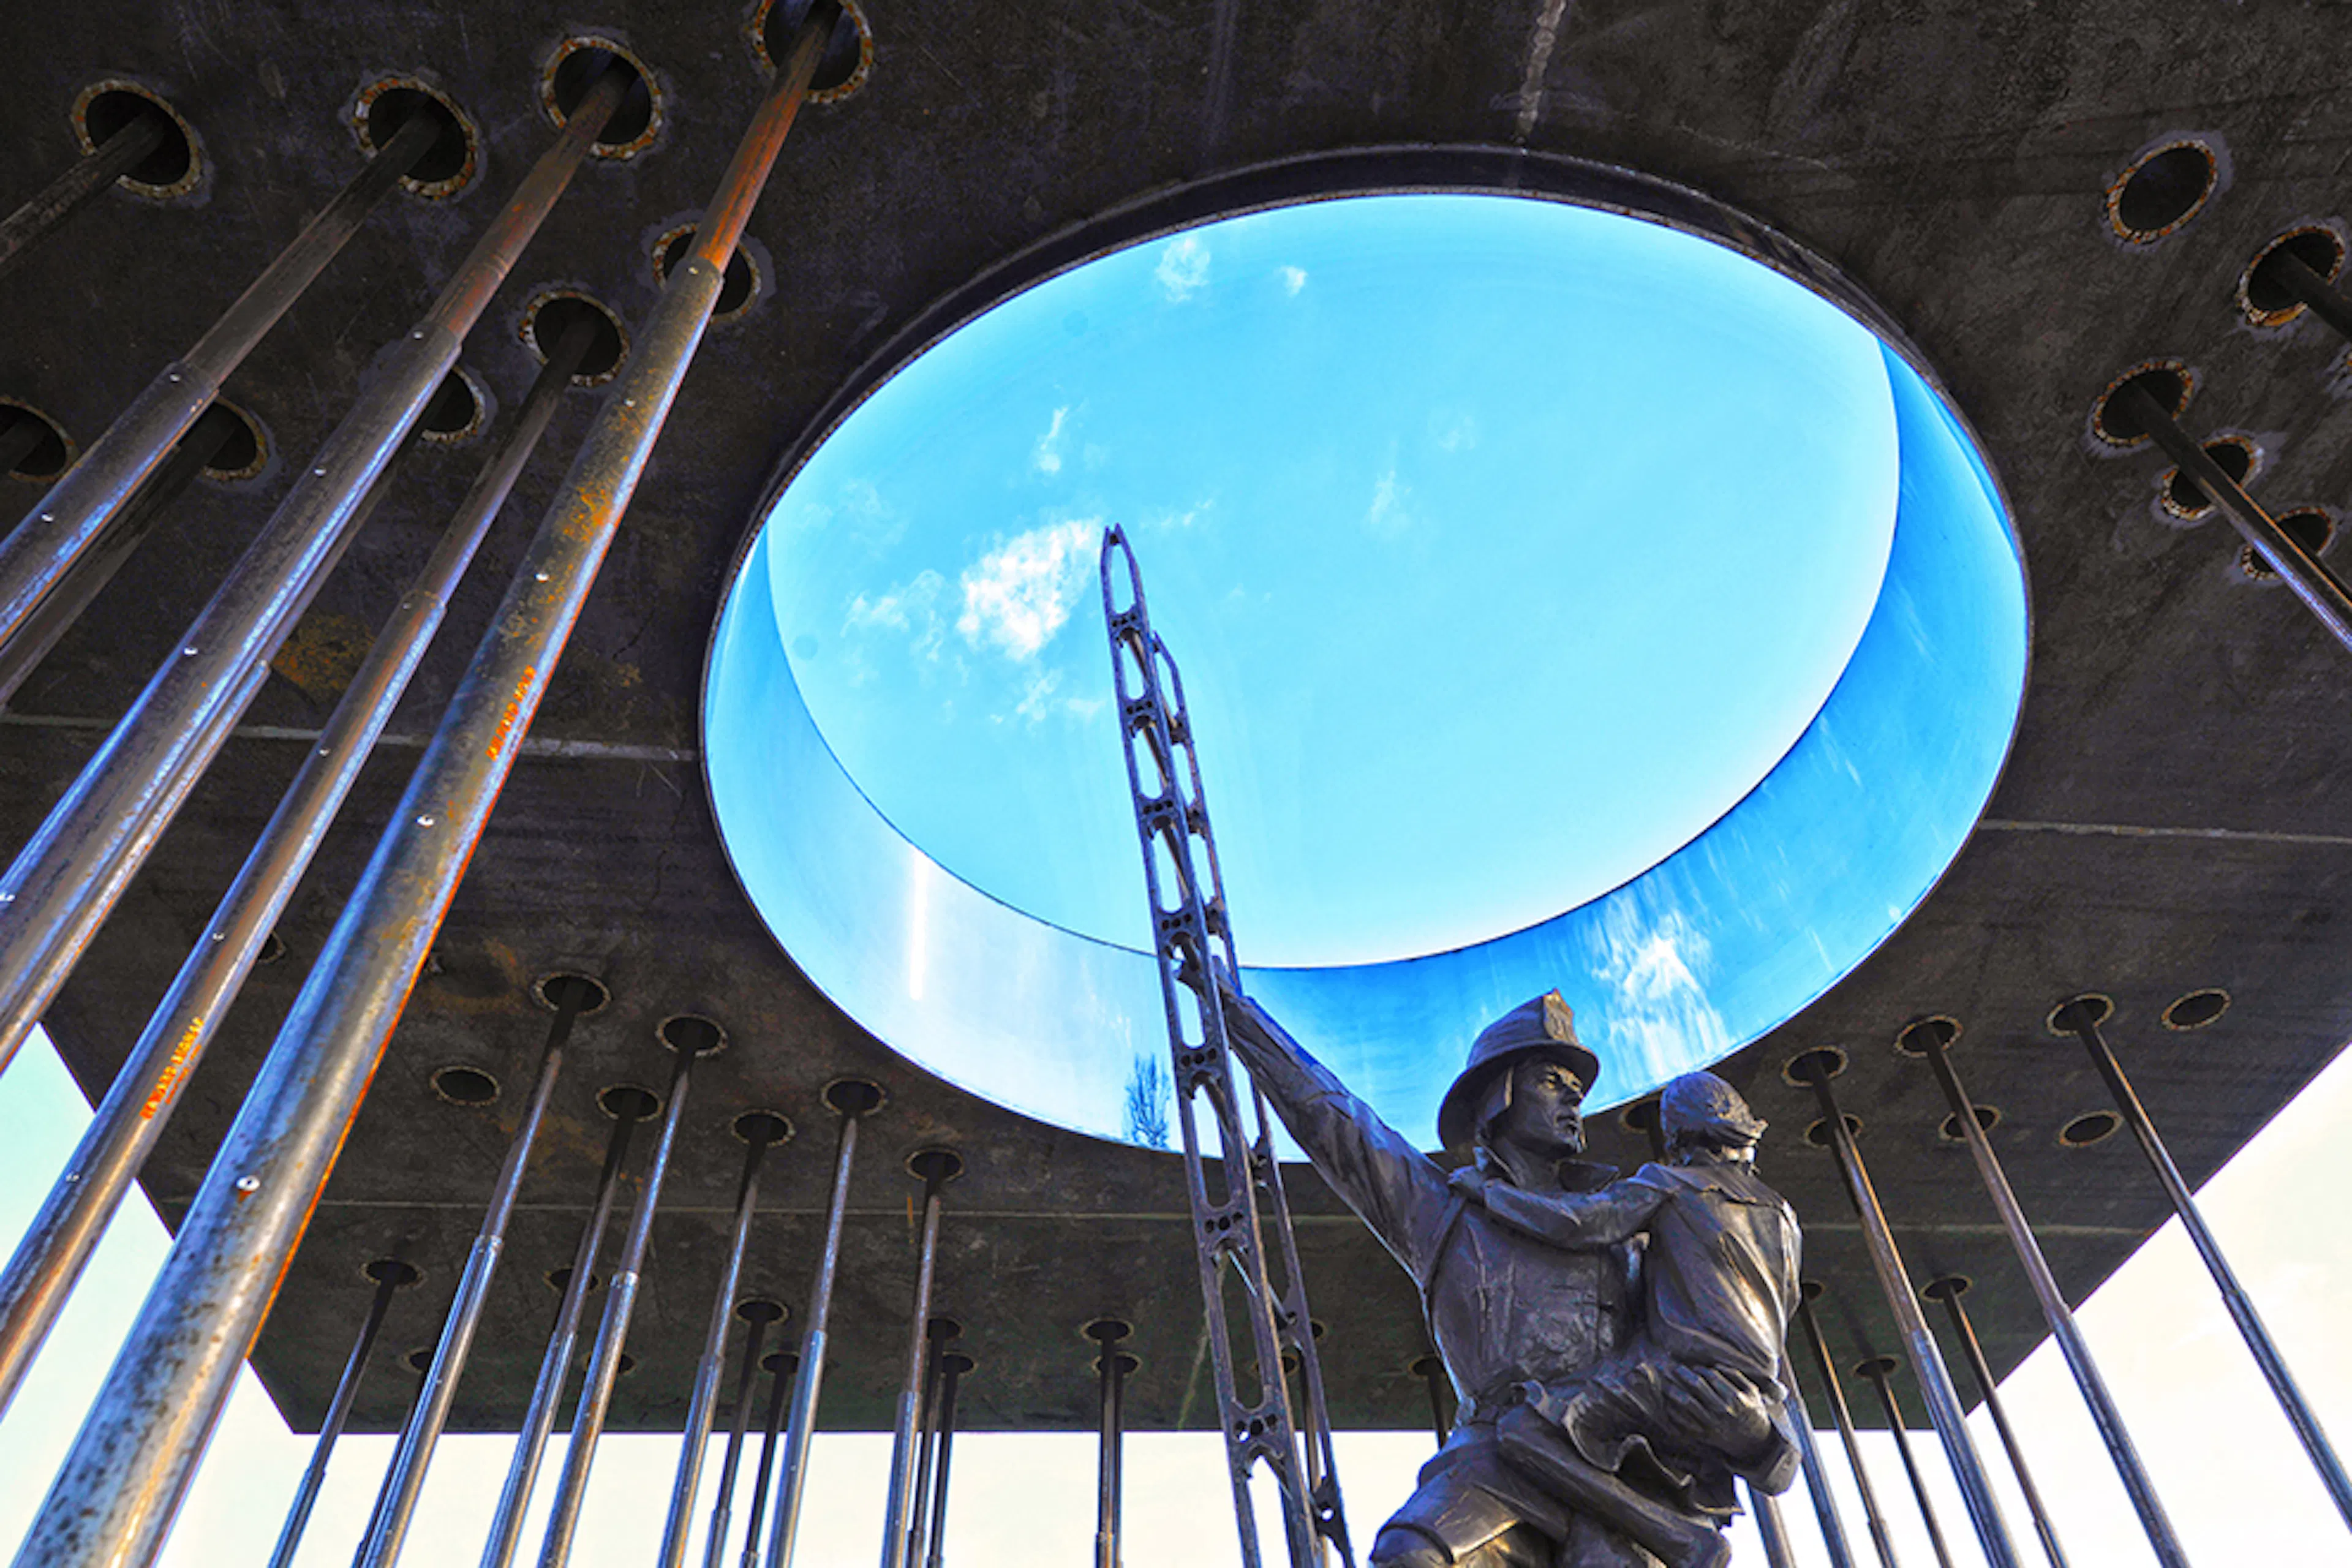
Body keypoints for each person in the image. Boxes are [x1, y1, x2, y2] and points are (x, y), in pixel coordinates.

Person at [1218, 980, 1661, 1568]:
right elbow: (1334, 1117)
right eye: (1550, 1081)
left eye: (1575, 1088)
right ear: (1498, 1098)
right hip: (1497, 1458)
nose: (1574, 1097)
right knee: (1410, 1556)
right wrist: (1236, 1013)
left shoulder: (1625, 1221)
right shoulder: (1441, 1212)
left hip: (1612, 1461)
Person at [1449, 1071, 1801, 1568]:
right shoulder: (1783, 1214)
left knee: (1521, 1430)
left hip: (1676, 1380)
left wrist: (1491, 1194)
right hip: (1748, 1389)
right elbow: (1784, 1306)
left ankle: (1676, 1537)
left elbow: (1578, 1223)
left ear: (1679, 1137)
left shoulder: (1671, 1184)